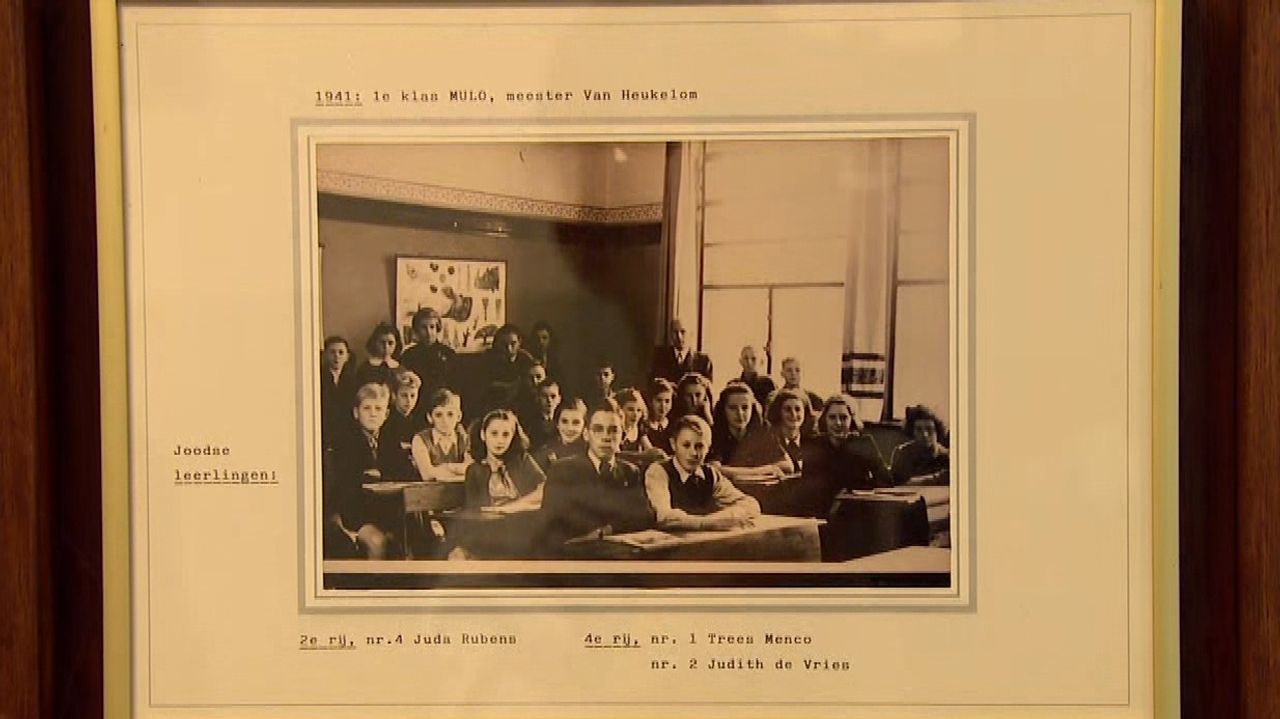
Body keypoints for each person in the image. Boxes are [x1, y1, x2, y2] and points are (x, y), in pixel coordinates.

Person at [538, 399, 655, 554]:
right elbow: (554, 520)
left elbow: (645, 516)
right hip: (573, 553)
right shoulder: (563, 470)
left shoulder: (630, 472)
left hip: (618, 551)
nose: (606, 437)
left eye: (613, 430)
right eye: (598, 429)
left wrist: (607, 530)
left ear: (622, 435)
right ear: (586, 434)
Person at [645, 415, 761, 531]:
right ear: (673, 444)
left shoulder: (710, 474)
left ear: (708, 448)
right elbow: (664, 517)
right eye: (686, 445)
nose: (693, 453)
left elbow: (750, 504)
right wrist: (708, 523)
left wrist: (722, 518)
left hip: (700, 540)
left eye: (699, 446)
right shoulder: (659, 471)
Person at [323, 382, 396, 559]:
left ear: (386, 414)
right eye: (367, 408)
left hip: (388, 513)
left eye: (378, 409)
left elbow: (405, 474)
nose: (373, 413)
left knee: (408, 540)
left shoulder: (391, 443)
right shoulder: (345, 444)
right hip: (355, 516)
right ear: (356, 413)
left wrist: (382, 477)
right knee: (376, 541)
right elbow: (343, 487)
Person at [802, 393, 892, 492]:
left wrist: (867, 488)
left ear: (852, 420)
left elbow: (886, 481)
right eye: (832, 417)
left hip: (858, 503)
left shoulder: (863, 444)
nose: (838, 423)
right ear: (825, 420)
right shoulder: (814, 446)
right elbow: (808, 487)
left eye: (843, 418)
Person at [708, 381, 794, 482]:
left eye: (745, 407)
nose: (740, 413)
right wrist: (767, 469)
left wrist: (734, 472)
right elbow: (714, 470)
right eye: (733, 408)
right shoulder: (714, 432)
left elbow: (788, 466)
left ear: (752, 408)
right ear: (723, 410)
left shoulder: (764, 428)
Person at [462, 409, 546, 510]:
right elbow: (475, 510)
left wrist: (514, 506)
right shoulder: (474, 471)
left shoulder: (522, 460)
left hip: (523, 517)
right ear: (483, 435)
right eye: (494, 433)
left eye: (506, 434)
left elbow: (544, 488)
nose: (500, 440)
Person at [398, 308, 456, 412]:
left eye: (432, 327)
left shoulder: (448, 354)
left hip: (442, 407)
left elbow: (455, 385)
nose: (429, 332)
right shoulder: (409, 355)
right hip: (417, 406)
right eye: (424, 328)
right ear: (416, 331)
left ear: (437, 329)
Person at [473, 323, 536, 416]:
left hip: (520, 404)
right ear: (497, 344)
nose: (509, 349)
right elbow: (482, 386)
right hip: (494, 404)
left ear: (520, 342)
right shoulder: (488, 360)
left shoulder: (526, 359)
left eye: (513, 344)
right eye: (504, 344)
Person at [410, 388, 471, 481]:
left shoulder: (464, 438)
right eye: (438, 415)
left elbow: (470, 471)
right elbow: (427, 475)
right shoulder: (420, 439)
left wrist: (446, 467)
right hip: (427, 493)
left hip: (459, 492)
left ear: (459, 416)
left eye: (450, 414)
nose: (445, 420)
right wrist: (459, 470)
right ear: (430, 417)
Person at [379, 368, 426, 481]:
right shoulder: (387, 423)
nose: (409, 401)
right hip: (394, 476)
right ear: (394, 396)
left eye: (413, 395)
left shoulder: (420, 423)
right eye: (404, 395)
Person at [890, 405, 950, 486]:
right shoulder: (902, 453)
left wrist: (921, 481)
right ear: (912, 432)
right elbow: (895, 483)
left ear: (937, 431)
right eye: (919, 430)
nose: (925, 434)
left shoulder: (947, 456)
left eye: (929, 429)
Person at [319, 336, 356, 451]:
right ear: (325, 355)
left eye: (341, 352)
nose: (337, 356)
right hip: (324, 429)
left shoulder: (352, 380)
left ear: (347, 356)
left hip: (345, 430)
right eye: (332, 352)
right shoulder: (318, 377)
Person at [613, 387, 666, 466]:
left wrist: (658, 454)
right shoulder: (616, 429)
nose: (635, 415)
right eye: (630, 409)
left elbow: (649, 449)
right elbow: (616, 455)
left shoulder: (639, 428)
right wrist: (642, 456)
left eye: (638, 410)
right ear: (619, 410)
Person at [651, 318, 713, 382]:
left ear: (691, 334)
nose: (679, 336)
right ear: (670, 334)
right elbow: (653, 385)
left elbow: (707, 389)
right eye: (675, 332)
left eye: (683, 332)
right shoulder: (660, 357)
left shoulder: (703, 361)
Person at [352, 322, 403, 393]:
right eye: (382, 342)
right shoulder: (365, 368)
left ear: (396, 344)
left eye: (390, 343)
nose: (386, 347)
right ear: (374, 343)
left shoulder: (400, 369)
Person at [520, 377, 562, 451]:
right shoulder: (529, 423)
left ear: (559, 399)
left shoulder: (563, 420)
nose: (549, 400)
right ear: (537, 398)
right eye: (544, 396)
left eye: (553, 396)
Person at [735, 345, 776, 411]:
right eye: (746, 358)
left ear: (761, 362)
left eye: (753, 359)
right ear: (741, 361)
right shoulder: (735, 384)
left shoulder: (768, 383)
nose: (749, 362)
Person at [643, 378, 677, 450]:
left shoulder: (674, 424)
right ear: (650, 401)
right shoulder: (644, 426)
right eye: (659, 400)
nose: (663, 406)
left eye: (667, 401)